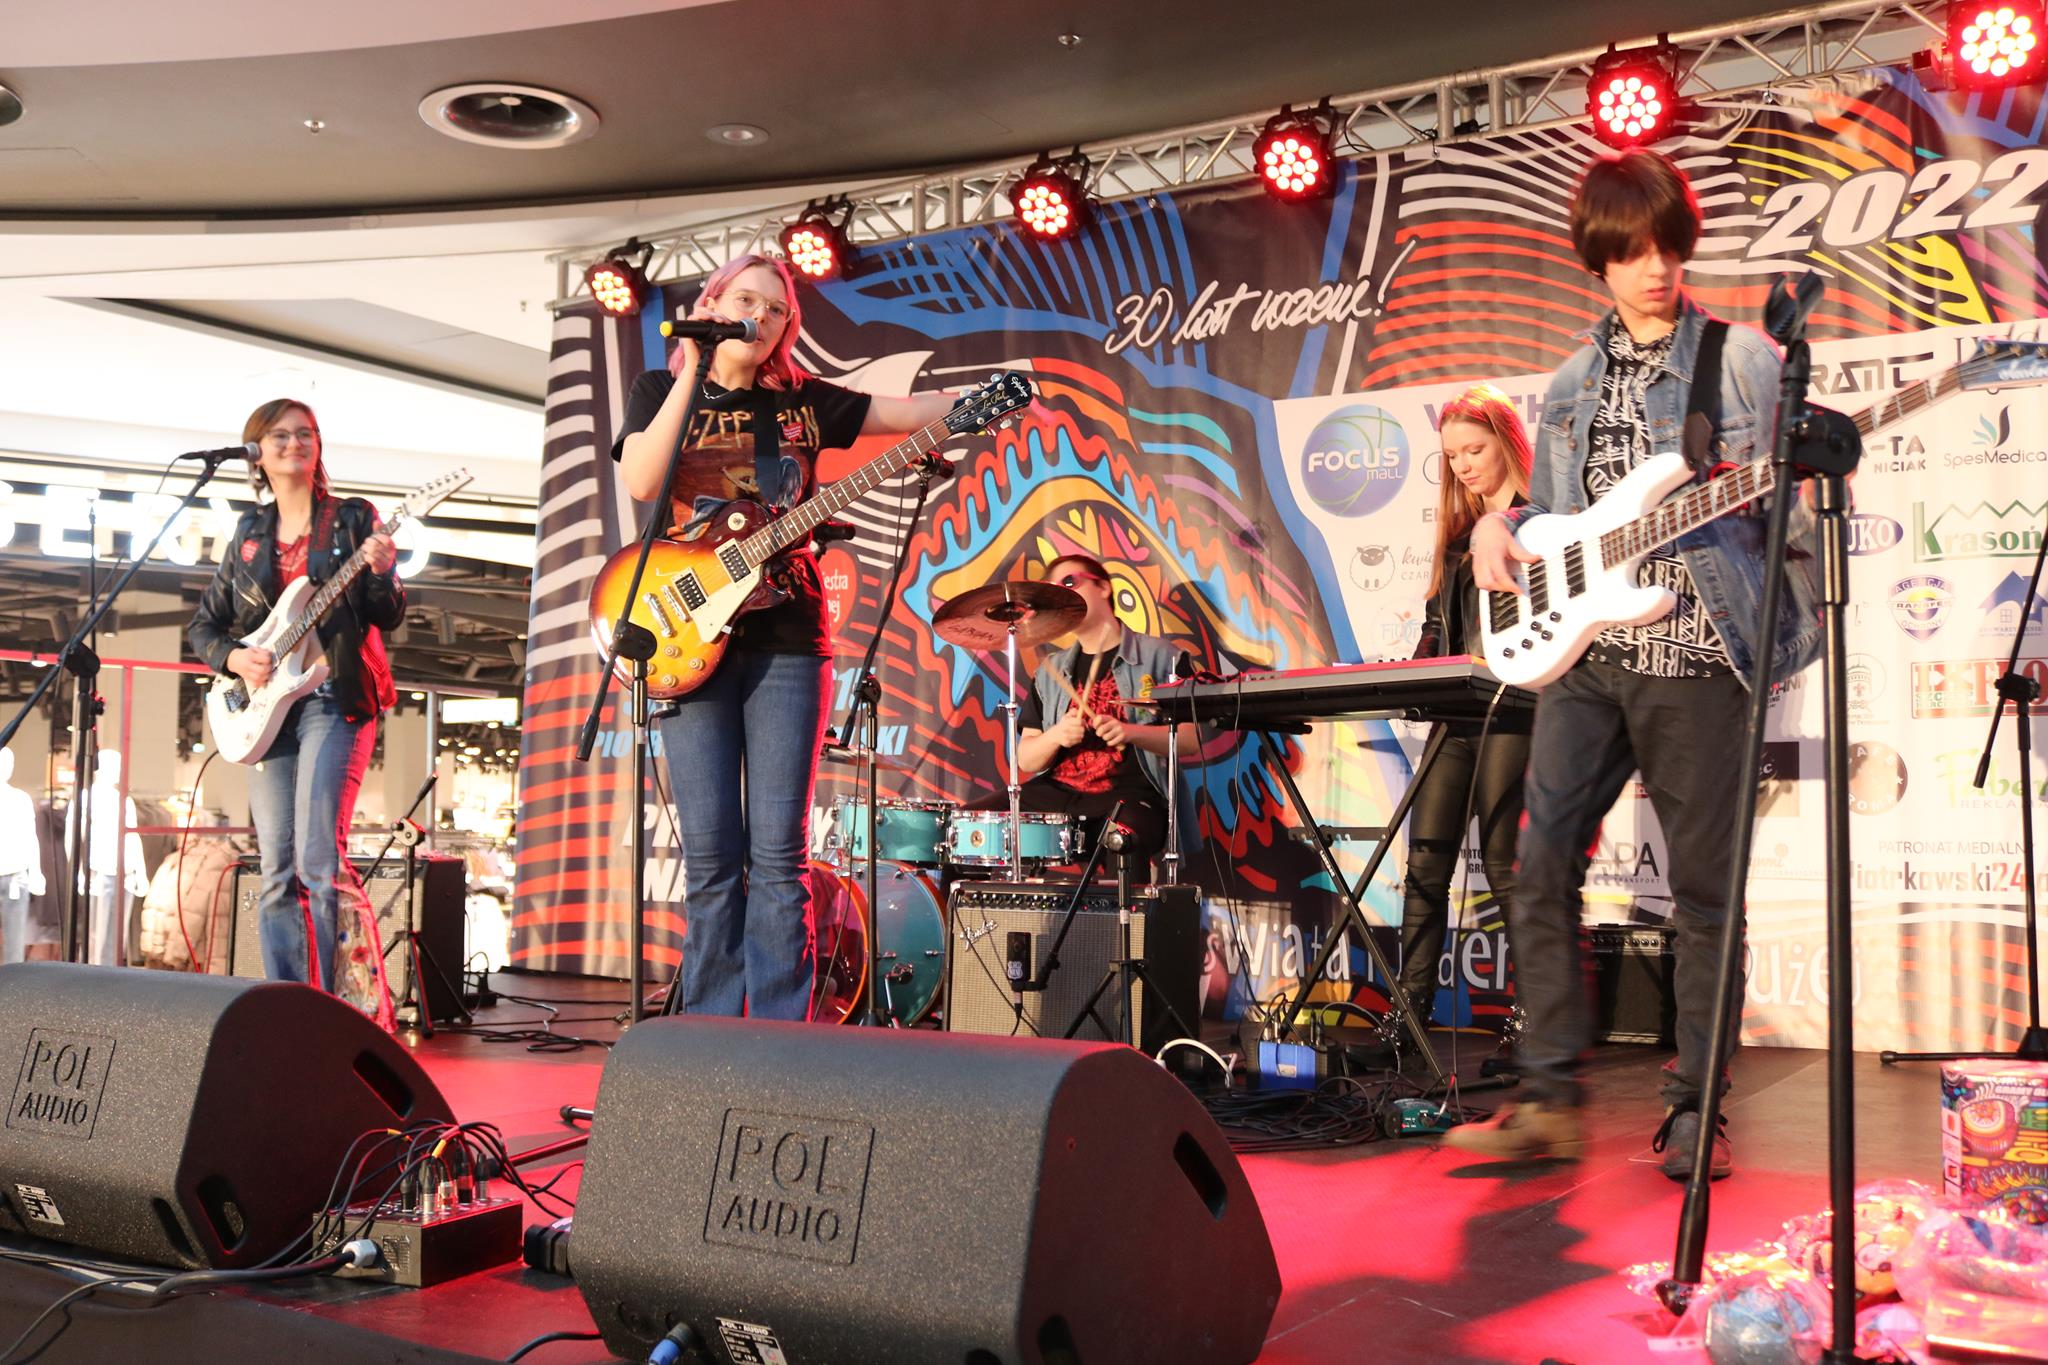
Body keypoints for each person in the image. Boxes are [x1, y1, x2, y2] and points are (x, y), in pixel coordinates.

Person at [1444, 148, 1819, 1179]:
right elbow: (1561, 514)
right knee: (1536, 866)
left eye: (1667, 248)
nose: (1654, 268)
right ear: (1598, 260)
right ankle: (1547, 1099)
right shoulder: (1572, 380)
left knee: (1703, 896)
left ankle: (1696, 1111)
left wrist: (1770, 514)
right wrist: (1501, 522)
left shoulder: (1740, 359)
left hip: (1694, 654)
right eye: (1632, 252)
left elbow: (1790, 515)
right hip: (1589, 655)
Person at [613, 252, 957, 1020]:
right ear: (714, 301)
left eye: (776, 310)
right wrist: (693, 369)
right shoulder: (658, 391)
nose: (761, 318)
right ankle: (708, 1033)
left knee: (778, 853)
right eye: (747, 300)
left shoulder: (802, 403)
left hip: (790, 637)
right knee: (710, 855)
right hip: (686, 633)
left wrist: (975, 401)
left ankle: (779, 1036)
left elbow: (903, 413)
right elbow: (641, 480)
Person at [188, 398, 402, 992]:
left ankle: (337, 1004)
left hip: (333, 697)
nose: (295, 443)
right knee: (277, 867)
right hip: (269, 709)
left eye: (305, 433)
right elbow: (205, 626)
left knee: (318, 859)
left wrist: (382, 571)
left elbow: (387, 613)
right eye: (280, 435)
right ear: (256, 452)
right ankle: (287, 1002)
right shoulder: (249, 532)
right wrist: (235, 658)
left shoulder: (352, 518)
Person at [1391, 385, 1534, 1030]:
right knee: (1425, 860)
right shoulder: (1454, 541)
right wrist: (1409, 672)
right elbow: (1437, 630)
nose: (1463, 466)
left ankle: (1532, 1022)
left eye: (1474, 450)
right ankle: (1409, 1018)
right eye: (1452, 457)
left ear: (1506, 441)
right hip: (1458, 713)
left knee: (1506, 867)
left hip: (1519, 709)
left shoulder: (1545, 525)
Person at [1005, 553, 1200, 877]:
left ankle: (1124, 913)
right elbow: (1025, 759)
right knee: (971, 826)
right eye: (1054, 589)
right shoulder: (1051, 671)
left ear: (1104, 588)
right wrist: (1056, 736)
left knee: (1123, 836)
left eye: (1070, 582)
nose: (1063, 593)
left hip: (1132, 799)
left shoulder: (1163, 658)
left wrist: (1131, 732)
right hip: (1060, 794)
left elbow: (1191, 741)